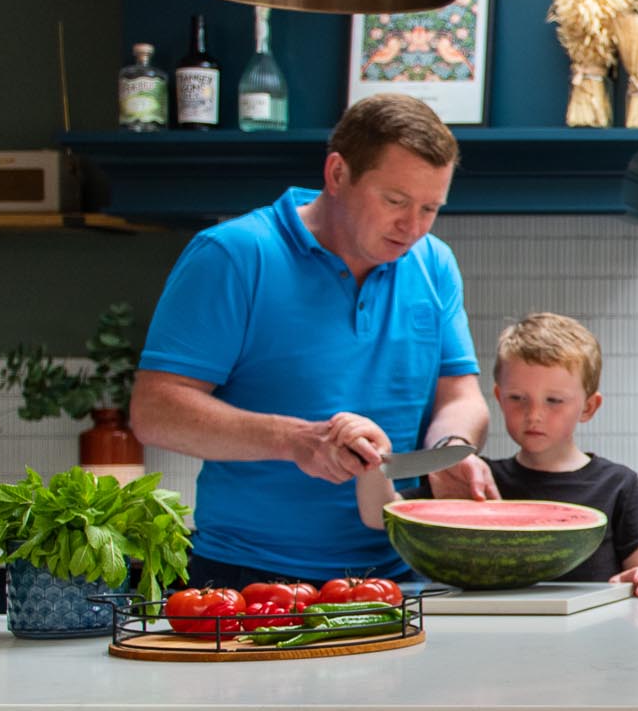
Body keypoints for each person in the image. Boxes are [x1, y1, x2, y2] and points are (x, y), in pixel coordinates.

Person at [130, 95, 498, 589]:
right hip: (249, 580)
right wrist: (295, 441)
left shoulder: (434, 263)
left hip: (401, 576)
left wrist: (450, 449)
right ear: (338, 173)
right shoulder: (235, 255)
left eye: (430, 207)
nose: (413, 227)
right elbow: (155, 411)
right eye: (395, 201)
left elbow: (460, 394)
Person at [357, 312, 638, 595]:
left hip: (589, 637)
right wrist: (372, 459)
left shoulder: (618, 484)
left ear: (588, 407)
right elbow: (378, 515)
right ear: (498, 398)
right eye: (517, 398)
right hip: (496, 634)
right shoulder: (478, 481)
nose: (534, 414)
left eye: (554, 401)